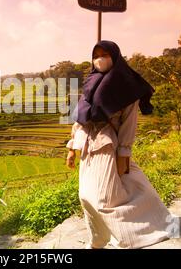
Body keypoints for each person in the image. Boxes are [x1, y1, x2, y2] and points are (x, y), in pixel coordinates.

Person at [66, 40, 173, 249]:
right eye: (96, 55)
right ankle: (97, 240)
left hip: (108, 146)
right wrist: (72, 149)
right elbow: (80, 121)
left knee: (103, 199)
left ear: (115, 57)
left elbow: (128, 125)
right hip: (88, 147)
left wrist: (123, 155)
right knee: (85, 196)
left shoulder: (126, 89)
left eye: (105, 54)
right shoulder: (90, 84)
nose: (100, 59)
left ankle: (138, 233)